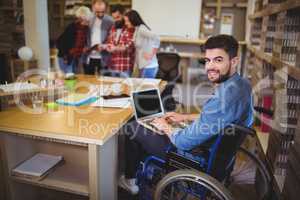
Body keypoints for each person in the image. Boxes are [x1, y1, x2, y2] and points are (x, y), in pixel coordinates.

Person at [119, 35, 253, 195]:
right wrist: (184, 117)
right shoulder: (242, 84)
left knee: (134, 128)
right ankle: (150, 172)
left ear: (234, 61)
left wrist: (166, 127)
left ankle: (130, 182)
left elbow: (182, 142)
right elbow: (216, 117)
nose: (210, 66)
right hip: (215, 151)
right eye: (207, 60)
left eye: (218, 60)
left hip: (196, 157)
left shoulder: (225, 96)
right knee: (152, 125)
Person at [124, 10, 160, 78]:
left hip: (149, 66)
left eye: (127, 21)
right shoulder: (137, 29)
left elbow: (157, 38)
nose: (126, 23)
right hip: (143, 66)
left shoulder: (142, 29)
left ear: (133, 20)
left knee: (146, 89)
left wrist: (151, 54)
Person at [56, 6, 91, 74]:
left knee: (74, 77)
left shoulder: (86, 29)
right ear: (81, 18)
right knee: (69, 77)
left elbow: (83, 42)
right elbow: (60, 43)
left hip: (75, 58)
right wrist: (65, 57)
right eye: (86, 19)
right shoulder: (72, 27)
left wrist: (85, 47)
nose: (88, 21)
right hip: (65, 57)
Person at [104, 4, 135, 77]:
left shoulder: (130, 28)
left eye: (118, 17)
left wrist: (115, 48)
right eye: (114, 18)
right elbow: (109, 42)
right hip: (112, 66)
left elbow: (130, 47)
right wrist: (107, 47)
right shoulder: (113, 28)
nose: (115, 20)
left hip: (125, 67)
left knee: (125, 88)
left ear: (124, 15)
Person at [84, 0, 114, 75]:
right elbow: (82, 35)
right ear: (93, 8)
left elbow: (112, 38)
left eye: (102, 11)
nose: (100, 14)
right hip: (88, 56)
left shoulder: (110, 21)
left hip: (104, 57)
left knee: (104, 81)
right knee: (88, 81)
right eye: (97, 11)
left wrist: (105, 45)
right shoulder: (88, 19)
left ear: (106, 9)